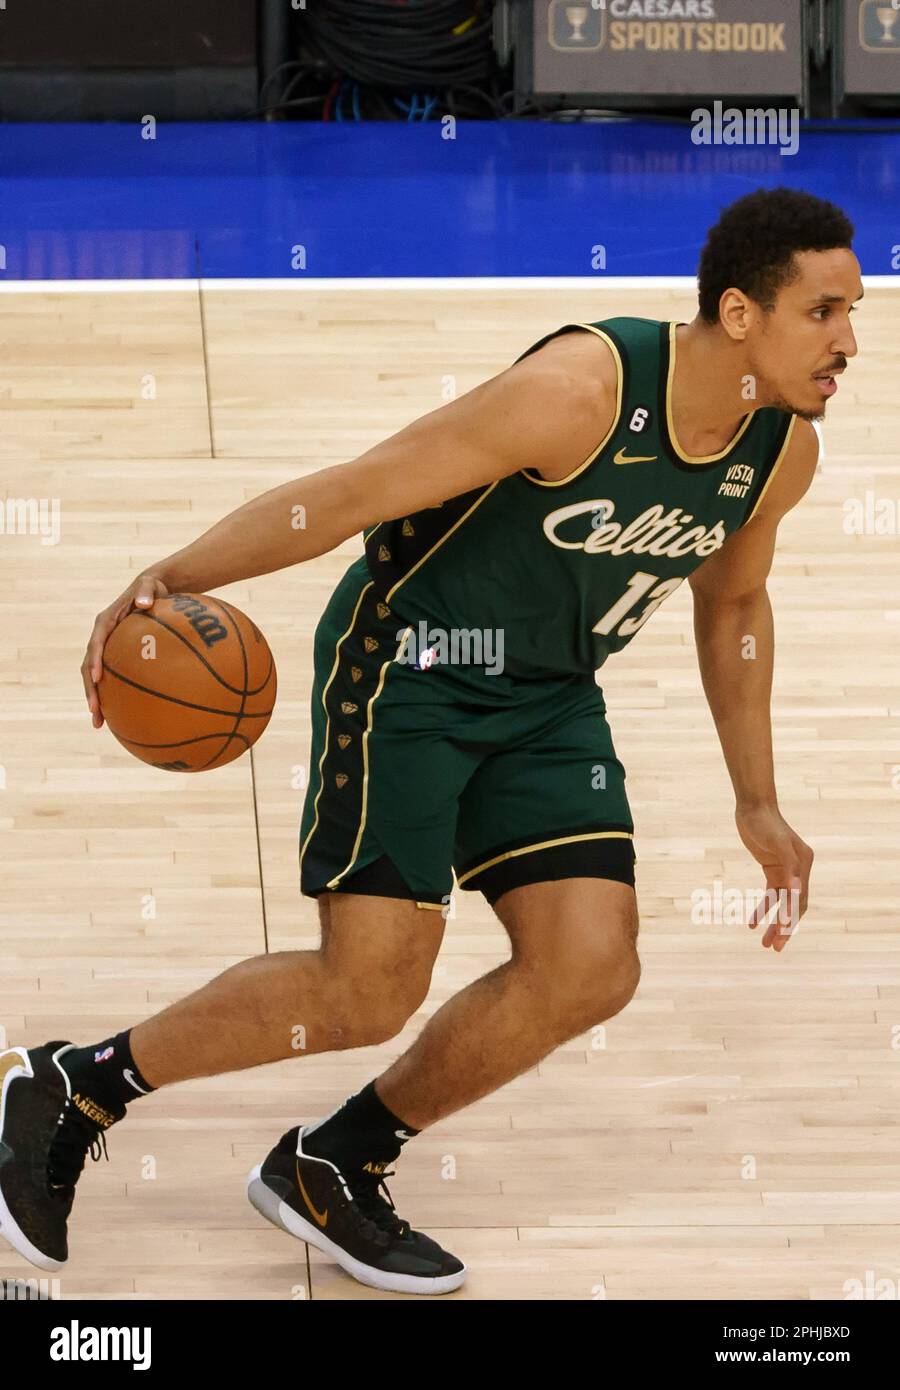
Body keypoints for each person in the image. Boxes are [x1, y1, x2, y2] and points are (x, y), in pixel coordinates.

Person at [0, 187, 860, 1295]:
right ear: (740, 313)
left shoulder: (780, 452)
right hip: (410, 669)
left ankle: (333, 1163)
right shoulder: (578, 392)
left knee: (591, 964)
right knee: (365, 992)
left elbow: (732, 603)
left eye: (852, 312)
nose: (847, 341)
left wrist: (758, 801)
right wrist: (172, 575)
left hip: (549, 699)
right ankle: (73, 1086)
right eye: (824, 312)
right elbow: (353, 493)